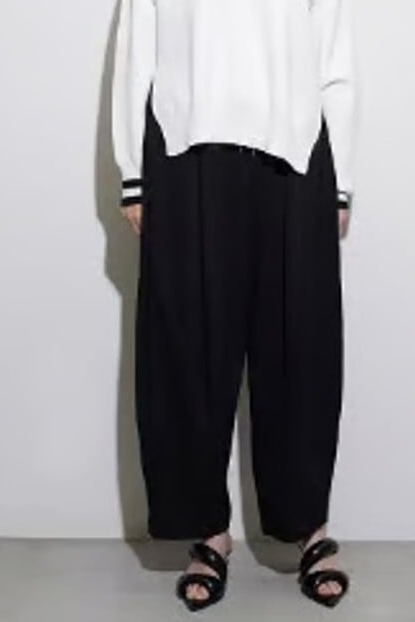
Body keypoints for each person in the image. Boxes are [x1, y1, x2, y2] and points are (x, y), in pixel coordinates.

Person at [111, 0, 357, 610]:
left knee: (300, 343)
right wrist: (133, 176)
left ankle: (308, 527)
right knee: (188, 346)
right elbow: (136, 56)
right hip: (185, 157)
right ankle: (208, 532)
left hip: (297, 158)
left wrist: (342, 180)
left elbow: (335, 62)